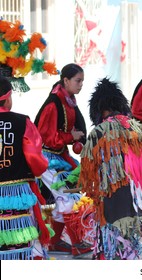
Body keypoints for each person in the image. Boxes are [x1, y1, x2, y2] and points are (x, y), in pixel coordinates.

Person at [78, 78, 142, 260]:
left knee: (111, 247)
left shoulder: (99, 131)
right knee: (128, 244)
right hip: (136, 199)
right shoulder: (137, 127)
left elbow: (88, 173)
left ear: (99, 109)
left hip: (111, 200)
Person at [34, 63, 91, 256]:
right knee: (67, 197)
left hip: (58, 156)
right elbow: (45, 137)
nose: (81, 84)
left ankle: (55, 241)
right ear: (65, 80)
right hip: (46, 159)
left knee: (63, 198)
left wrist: (76, 139)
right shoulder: (53, 104)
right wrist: (70, 137)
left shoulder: (68, 100)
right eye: (78, 80)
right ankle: (77, 243)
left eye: (82, 81)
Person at [0, 75, 50, 260]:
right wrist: (38, 169)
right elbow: (35, 158)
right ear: (7, 97)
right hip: (16, 194)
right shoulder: (22, 122)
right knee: (20, 237)